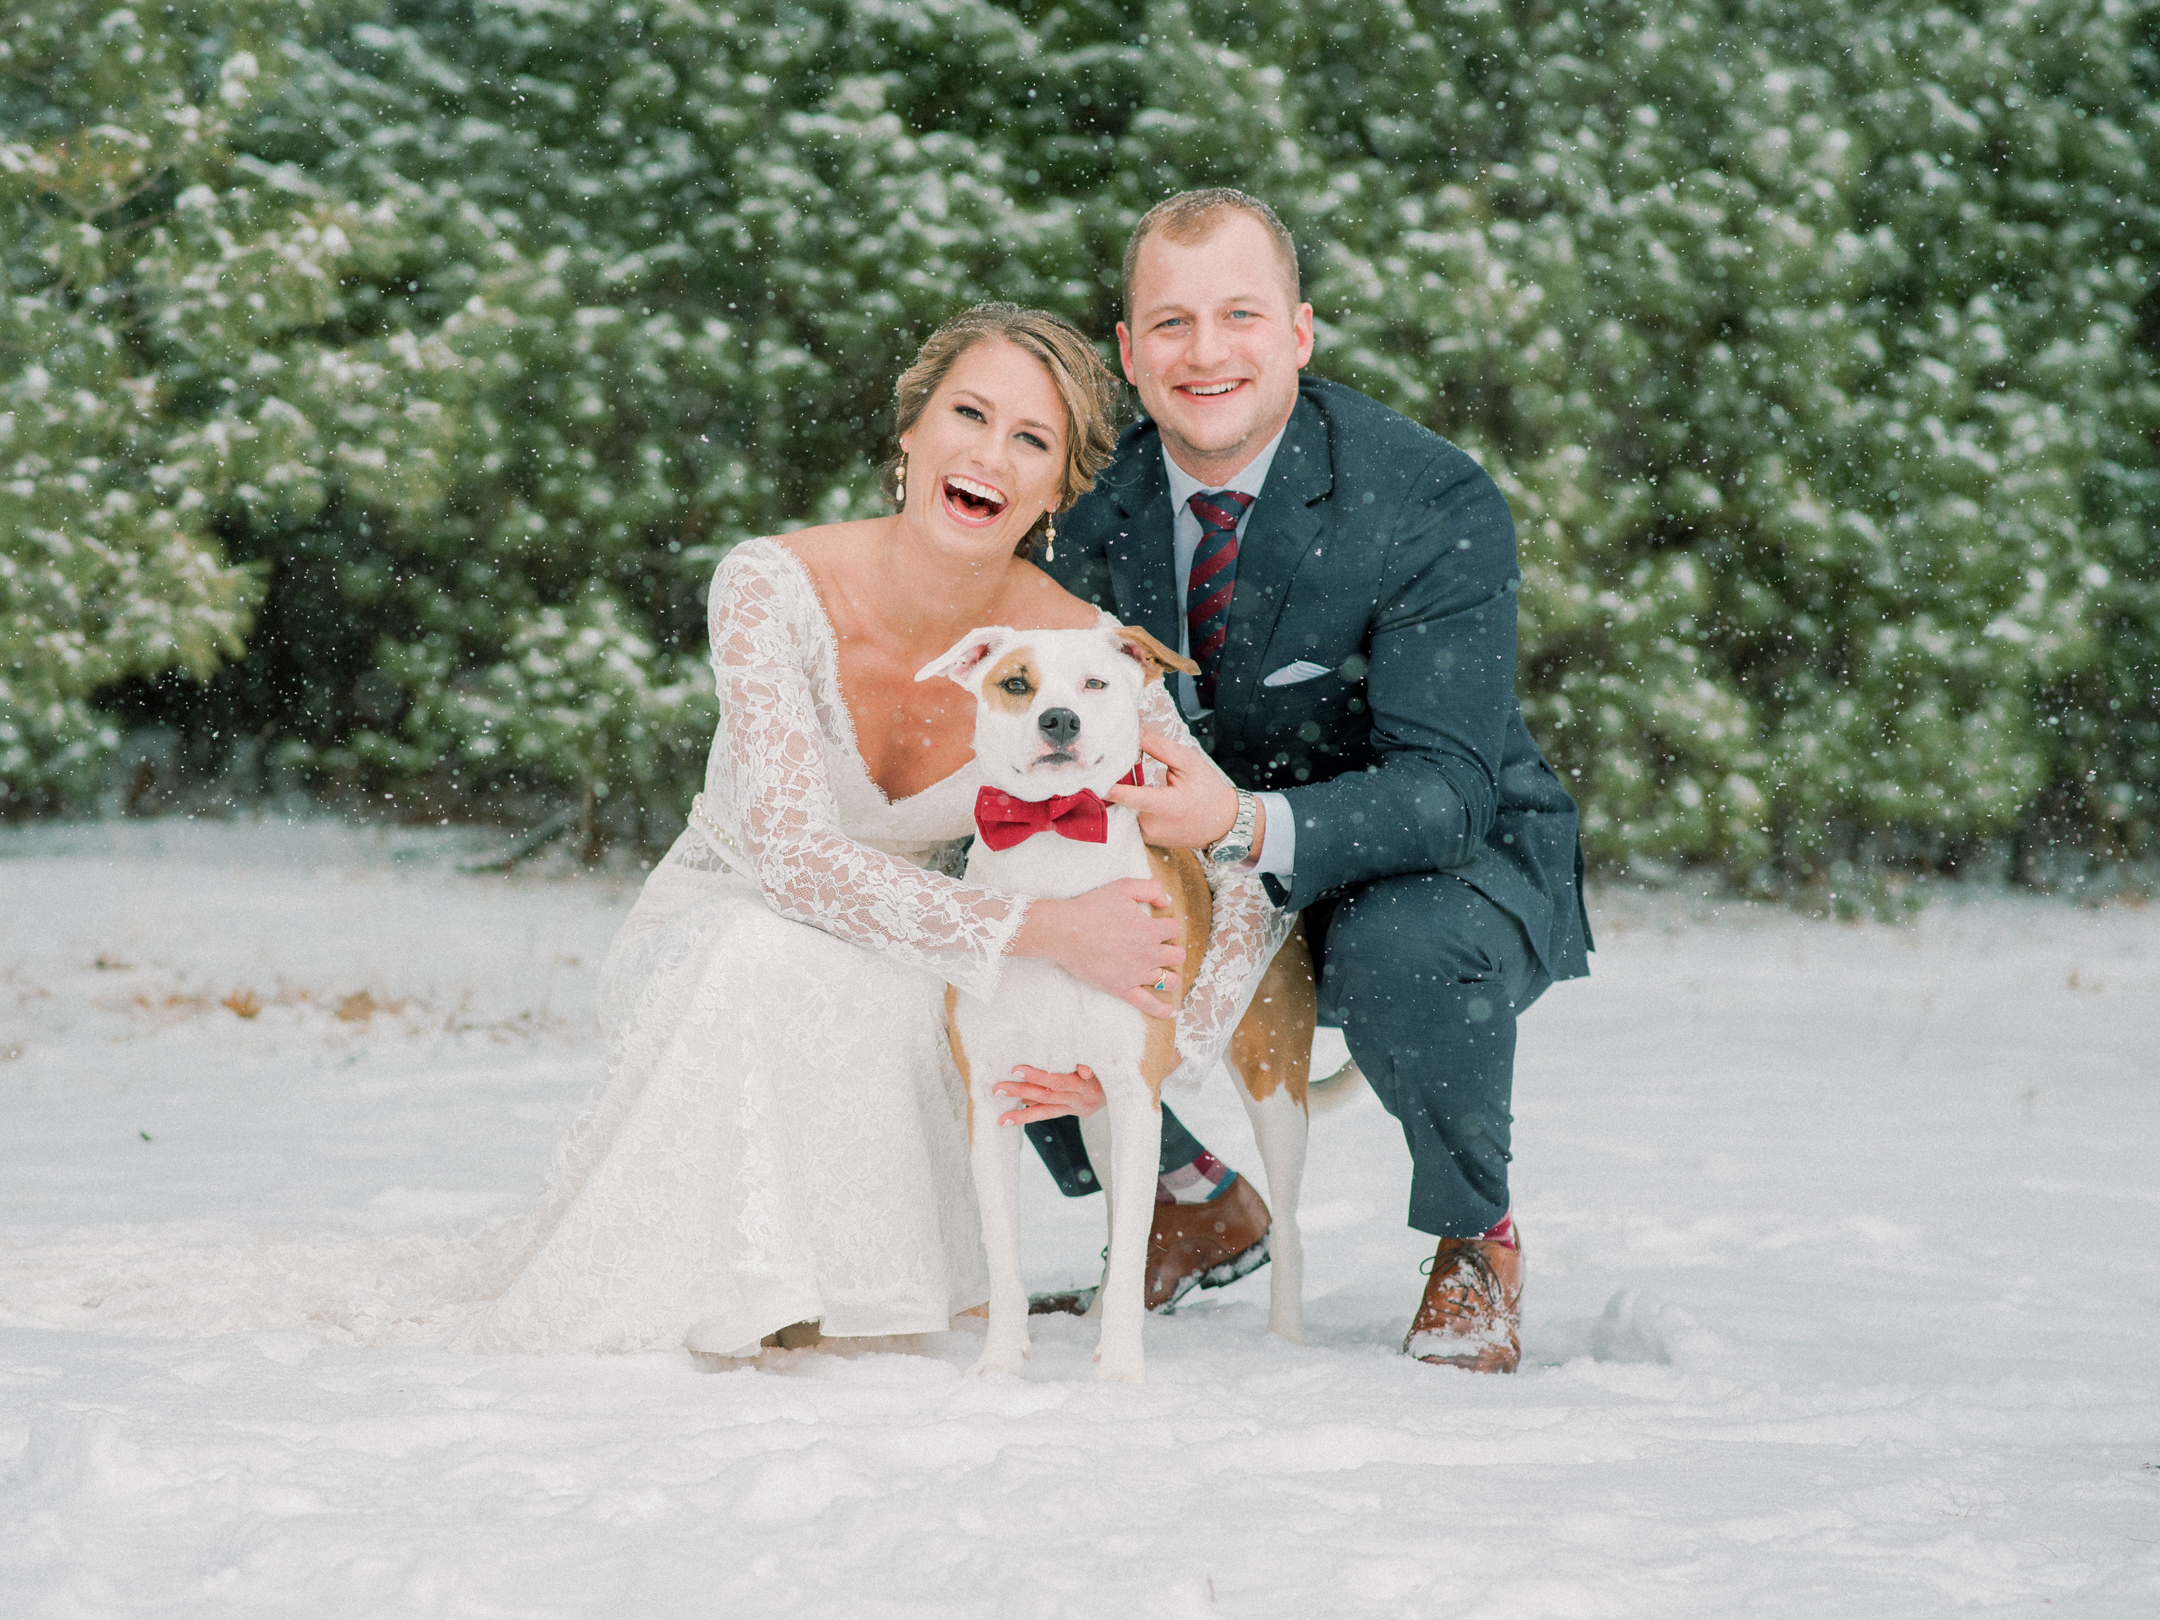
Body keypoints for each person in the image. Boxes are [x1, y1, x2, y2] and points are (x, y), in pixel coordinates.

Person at [459, 303, 1291, 1358]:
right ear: (911, 431)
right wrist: (1044, 932)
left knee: (912, 997)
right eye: (969, 414)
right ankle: (726, 1286)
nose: (990, 454)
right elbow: (797, 865)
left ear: (1056, 487)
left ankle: (866, 1291)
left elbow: (1239, 857)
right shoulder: (769, 585)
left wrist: (1157, 1052)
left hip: (923, 957)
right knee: (755, 950)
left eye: (1030, 440)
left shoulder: (1074, 654)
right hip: (731, 909)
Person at [1027, 191, 1593, 1373]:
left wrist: (1243, 821)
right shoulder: (1081, 506)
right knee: (996, 905)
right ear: (1128, 354)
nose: (1207, 352)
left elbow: (1448, 787)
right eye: (1170, 323)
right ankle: (1189, 1191)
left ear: (1300, 333)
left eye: (1241, 314)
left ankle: (1472, 1241)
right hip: (1180, 847)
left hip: (1426, 852)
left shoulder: (1428, 498)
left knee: (1405, 943)